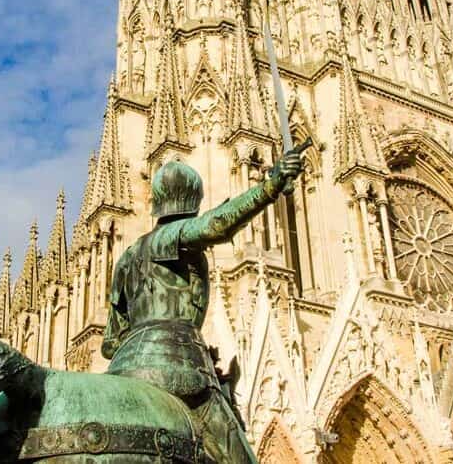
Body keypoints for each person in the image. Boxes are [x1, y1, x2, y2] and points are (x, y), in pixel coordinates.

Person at [102, 140, 310, 463]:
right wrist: (272, 184)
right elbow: (218, 224)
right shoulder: (174, 235)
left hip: (120, 372)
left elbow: (110, 342)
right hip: (177, 368)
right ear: (189, 204)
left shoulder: (126, 259)